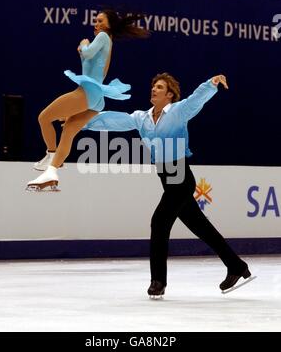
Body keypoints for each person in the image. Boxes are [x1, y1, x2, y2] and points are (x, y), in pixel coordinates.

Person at [83, 72, 254, 296]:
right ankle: (236, 266)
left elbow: (196, 99)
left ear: (170, 94)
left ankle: (158, 281)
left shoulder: (178, 112)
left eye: (160, 87)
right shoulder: (141, 118)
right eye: (154, 86)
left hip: (181, 178)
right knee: (202, 228)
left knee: (159, 222)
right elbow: (113, 120)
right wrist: (82, 122)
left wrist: (211, 84)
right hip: (167, 178)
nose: (154, 89)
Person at [27, 9, 149, 191]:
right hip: (97, 99)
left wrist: (83, 45)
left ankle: (51, 154)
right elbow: (91, 58)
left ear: (108, 25)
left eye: (100, 21)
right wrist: (83, 50)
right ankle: (52, 172)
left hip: (87, 93)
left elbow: (89, 52)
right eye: (95, 21)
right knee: (68, 131)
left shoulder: (103, 37)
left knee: (44, 117)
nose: (96, 24)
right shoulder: (107, 41)